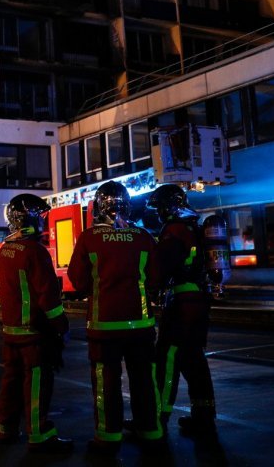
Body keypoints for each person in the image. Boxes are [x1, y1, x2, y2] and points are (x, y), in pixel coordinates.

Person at [68, 181, 165, 455]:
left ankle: (108, 437)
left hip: (104, 326)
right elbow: (156, 278)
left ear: (99, 206)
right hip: (141, 326)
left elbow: (77, 281)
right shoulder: (144, 237)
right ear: (127, 204)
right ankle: (151, 431)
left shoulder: (89, 238)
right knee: (144, 380)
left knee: (106, 383)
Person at [0, 194, 72, 454]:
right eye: (40, 216)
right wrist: (61, 326)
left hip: (11, 331)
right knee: (37, 383)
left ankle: (5, 428)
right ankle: (39, 434)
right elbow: (48, 295)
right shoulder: (35, 251)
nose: (43, 221)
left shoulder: (5, 249)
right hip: (34, 333)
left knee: (11, 380)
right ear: (28, 218)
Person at [146, 184, 217, 437]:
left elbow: (158, 269)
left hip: (182, 306)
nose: (158, 214)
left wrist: (148, 287)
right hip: (198, 302)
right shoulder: (194, 227)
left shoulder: (174, 231)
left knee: (167, 359)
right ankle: (204, 417)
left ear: (168, 207)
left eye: (159, 209)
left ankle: (157, 417)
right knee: (195, 361)